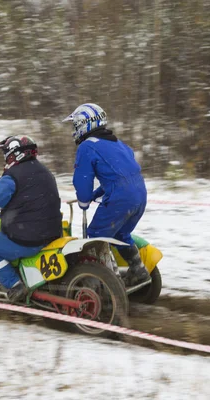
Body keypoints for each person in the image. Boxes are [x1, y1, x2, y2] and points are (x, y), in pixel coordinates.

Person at [0, 135, 63, 302]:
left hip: (29, 238)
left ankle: (14, 285)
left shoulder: (12, 177)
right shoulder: (45, 172)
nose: (4, 158)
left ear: (13, 154)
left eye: (5, 153)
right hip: (52, 233)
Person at [62, 103, 150, 286]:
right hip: (140, 194)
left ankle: (108, 282)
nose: (74, 129)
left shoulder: (87, 147)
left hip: (121, 197)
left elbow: (82, 178)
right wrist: (98, 193)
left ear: (83, 124)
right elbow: (121, 175)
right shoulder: (118, 143)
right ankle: (138, 269)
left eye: (75, 125)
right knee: (120, 233)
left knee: (95, 237)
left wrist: (84, 200)